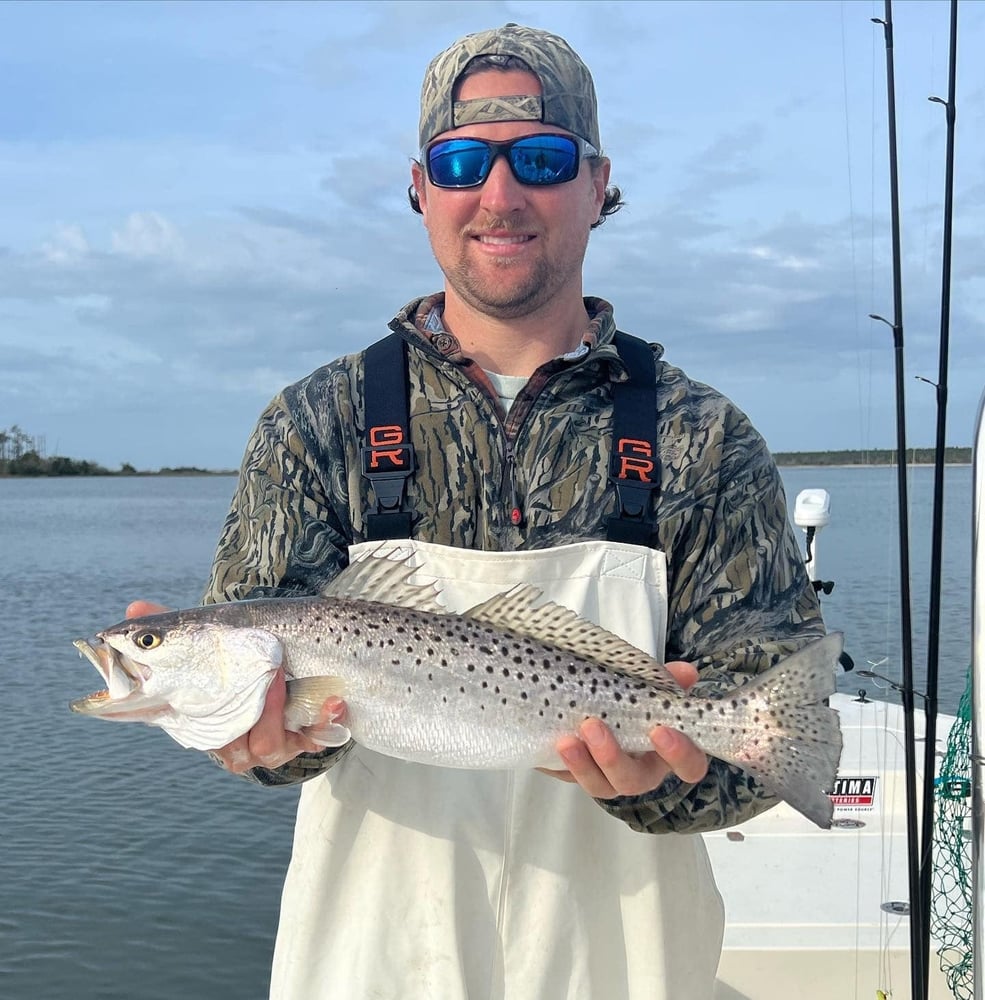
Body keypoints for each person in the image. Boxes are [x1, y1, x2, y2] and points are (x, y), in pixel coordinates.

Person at [154, 22, 824, 1000]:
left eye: (541, 160)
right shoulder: (314, 425)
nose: (499, 196)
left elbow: (771, 731)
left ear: (597, 185)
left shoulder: (703, 437)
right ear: (422, 188)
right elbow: (268, 749)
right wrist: (256, 743)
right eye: (462, 161)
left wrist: (668, 780)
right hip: (377, 963)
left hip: (625, 965)